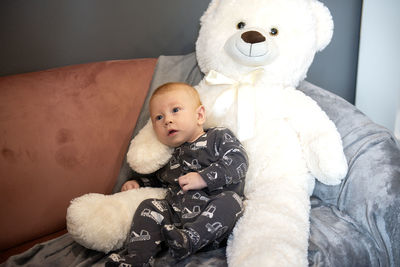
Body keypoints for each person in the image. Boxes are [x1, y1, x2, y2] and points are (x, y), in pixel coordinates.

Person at [106, 82, 248, 267]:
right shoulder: (170, 155)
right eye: (159, 117)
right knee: (149, 206)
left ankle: (189, 240)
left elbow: (238, 161)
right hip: (176, 218)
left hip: (213, 219)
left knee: (232, 201)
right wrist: (137, 182)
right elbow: (158, 179)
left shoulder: (217, 137)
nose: (167, 120)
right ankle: (136, 258)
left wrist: (203, 178)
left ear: (199, 115)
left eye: (175, 110)